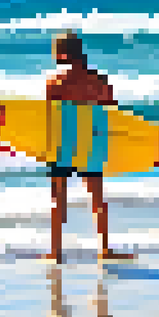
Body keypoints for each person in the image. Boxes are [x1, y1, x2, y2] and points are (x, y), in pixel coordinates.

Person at [46, 32, 118, 262]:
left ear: (63, 52)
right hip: (90, 140)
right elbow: (111, 111)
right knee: (97, 196)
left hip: (63, 141)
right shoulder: (99, 80)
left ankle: (56, 250)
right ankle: (105, 247)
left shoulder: (54, 81)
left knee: (58, 198)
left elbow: (49, 116)